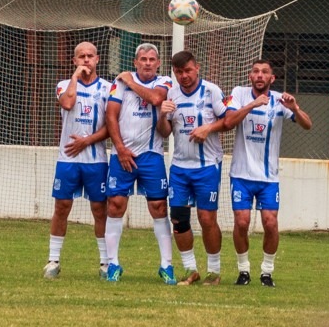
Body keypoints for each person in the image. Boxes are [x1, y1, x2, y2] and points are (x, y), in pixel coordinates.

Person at [223, 60, 311, 287]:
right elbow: (229, 122)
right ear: (250, 76)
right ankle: (243, 270)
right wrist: (252, 105)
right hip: (241, 175)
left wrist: (295, 108)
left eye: (264, 72)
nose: (260, 75)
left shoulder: (281, 100)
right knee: (242, 222)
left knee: (270, 223)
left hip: (268, 177)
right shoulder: (239, 94)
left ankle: (267, 272)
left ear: (272, 78)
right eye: (256, 72)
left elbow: (307, 125)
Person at [155, 51, 228, 286]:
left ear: (197, 68)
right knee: (178, 219)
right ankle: (190, 269)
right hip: (179, 167)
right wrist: (162, 115)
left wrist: (208, 128)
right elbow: (164, 132)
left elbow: (228, 120)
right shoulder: (171, 94)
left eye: (187, 70)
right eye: (179, 72)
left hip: (207, 166)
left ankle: (214, 271)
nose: (184, 76)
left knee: (207, 218)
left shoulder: (211, 91)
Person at [104, 43, 175, 284]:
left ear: (158, 63)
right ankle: (113, 264)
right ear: (135, 62)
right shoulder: (118, 84)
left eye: (152, 59)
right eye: (143, 59)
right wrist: (120, 149)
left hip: (151, 155)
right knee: (115, 205)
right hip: (122, 154)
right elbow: (110, 116)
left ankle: (166, 265)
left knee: (159, 207)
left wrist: (130, 82)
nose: (147, 63)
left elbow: (156, 98)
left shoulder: (164, 82)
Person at [44, 41, 111, 280]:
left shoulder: (108, 88)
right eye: (81, 56)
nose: (86, 60)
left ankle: (105, 263)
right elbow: (68, 103)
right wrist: (75, 77)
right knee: (62, 207)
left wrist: (87, 141)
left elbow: (112, 126)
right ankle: (53, 260)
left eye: (90, 56)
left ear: (97, 59)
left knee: (99, 210)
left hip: (96, 161)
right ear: (74, 61)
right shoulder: (64, 85)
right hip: (67, 160)